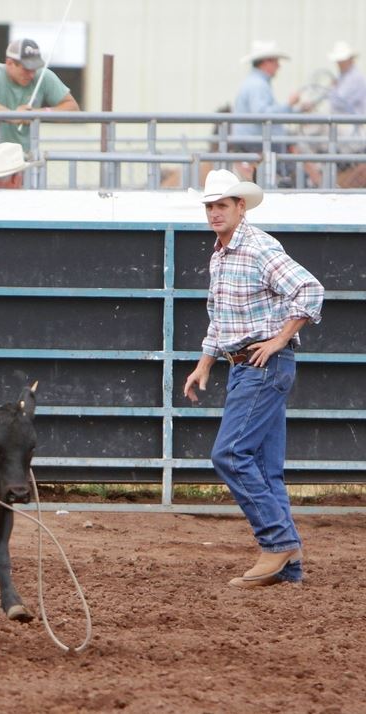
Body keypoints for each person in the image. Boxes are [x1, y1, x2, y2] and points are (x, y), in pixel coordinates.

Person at [183, 169, 323, 589]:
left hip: (262, 365)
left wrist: (279, 340)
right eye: (209, 206)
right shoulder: (221, 254)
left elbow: (310, 290)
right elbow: (220, 317)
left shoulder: (259, 248)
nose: (214, 213)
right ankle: (289, 566)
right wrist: (204, 364)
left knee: (229, 455)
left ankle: (276, 542)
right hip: (246, 364)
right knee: (264, 466)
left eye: (221, 205)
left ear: (240, 207)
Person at [0, 38, 79, 153]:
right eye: (26, 69)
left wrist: (38, 113)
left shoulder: (43, 76)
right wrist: (12, 116)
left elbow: (73, 109)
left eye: (35, 68)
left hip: (25, 161)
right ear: (9, 63)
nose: (32, 74)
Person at [232, 41, 309, 184]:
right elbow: (262, 113)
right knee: (297, 171)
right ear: (266, 62)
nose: (278, 66)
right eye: (276, 62)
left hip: (254, 141)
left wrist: (294, 109)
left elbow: (265, 112)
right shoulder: (258, 85)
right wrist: (289, 105)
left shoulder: (254, 83)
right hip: (258, 142)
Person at [326, 41, 366, 154]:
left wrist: (332, 89)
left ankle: (316, 167)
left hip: (353, 129)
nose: (338, 63)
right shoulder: (344, 77)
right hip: (347, 127)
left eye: (341, 60)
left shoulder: (354, 78)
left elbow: (338, 102)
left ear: (349, 60)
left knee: (318, 130)